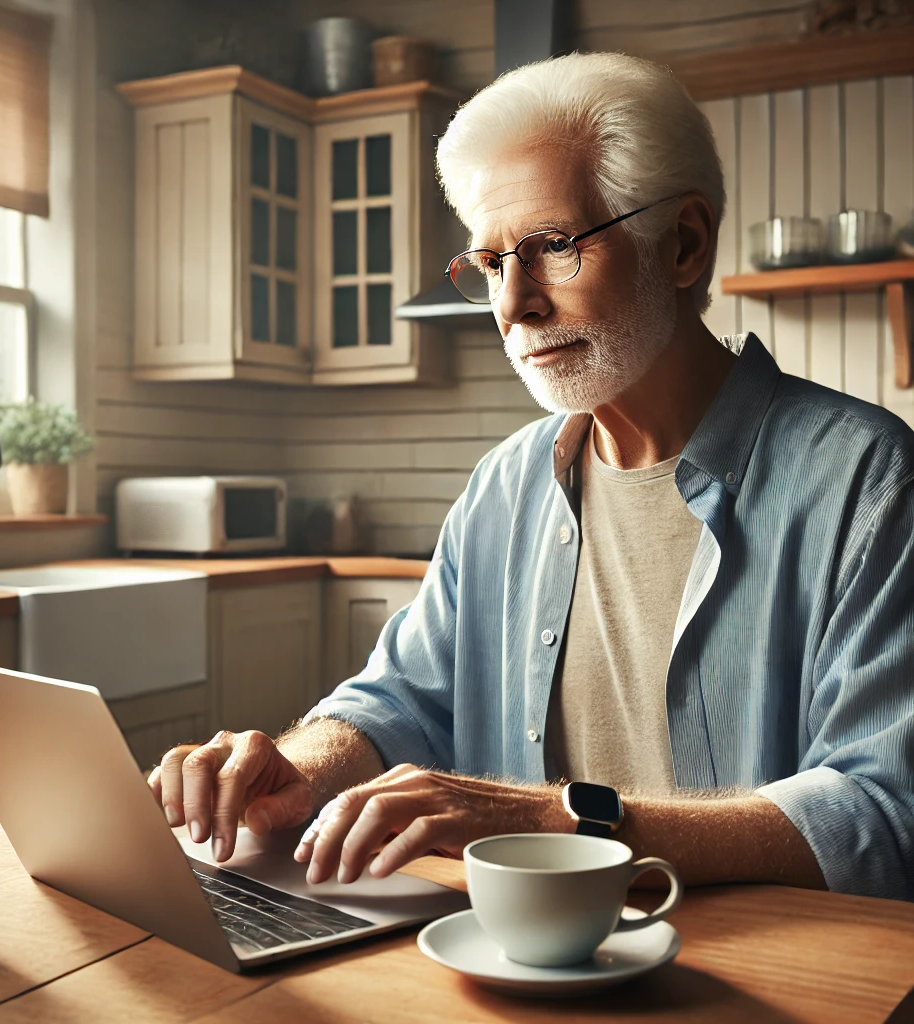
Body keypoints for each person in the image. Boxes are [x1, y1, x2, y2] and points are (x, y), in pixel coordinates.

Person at [150, 52, 914, 901]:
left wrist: (559, 821)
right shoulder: (503, 485)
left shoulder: (868, 481)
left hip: (757, 961)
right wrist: (297, 767)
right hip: (507, 953)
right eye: (490, 265)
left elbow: (885, 817)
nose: (514, 306)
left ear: (683, 244)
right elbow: (400, 700)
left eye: (553, 247)